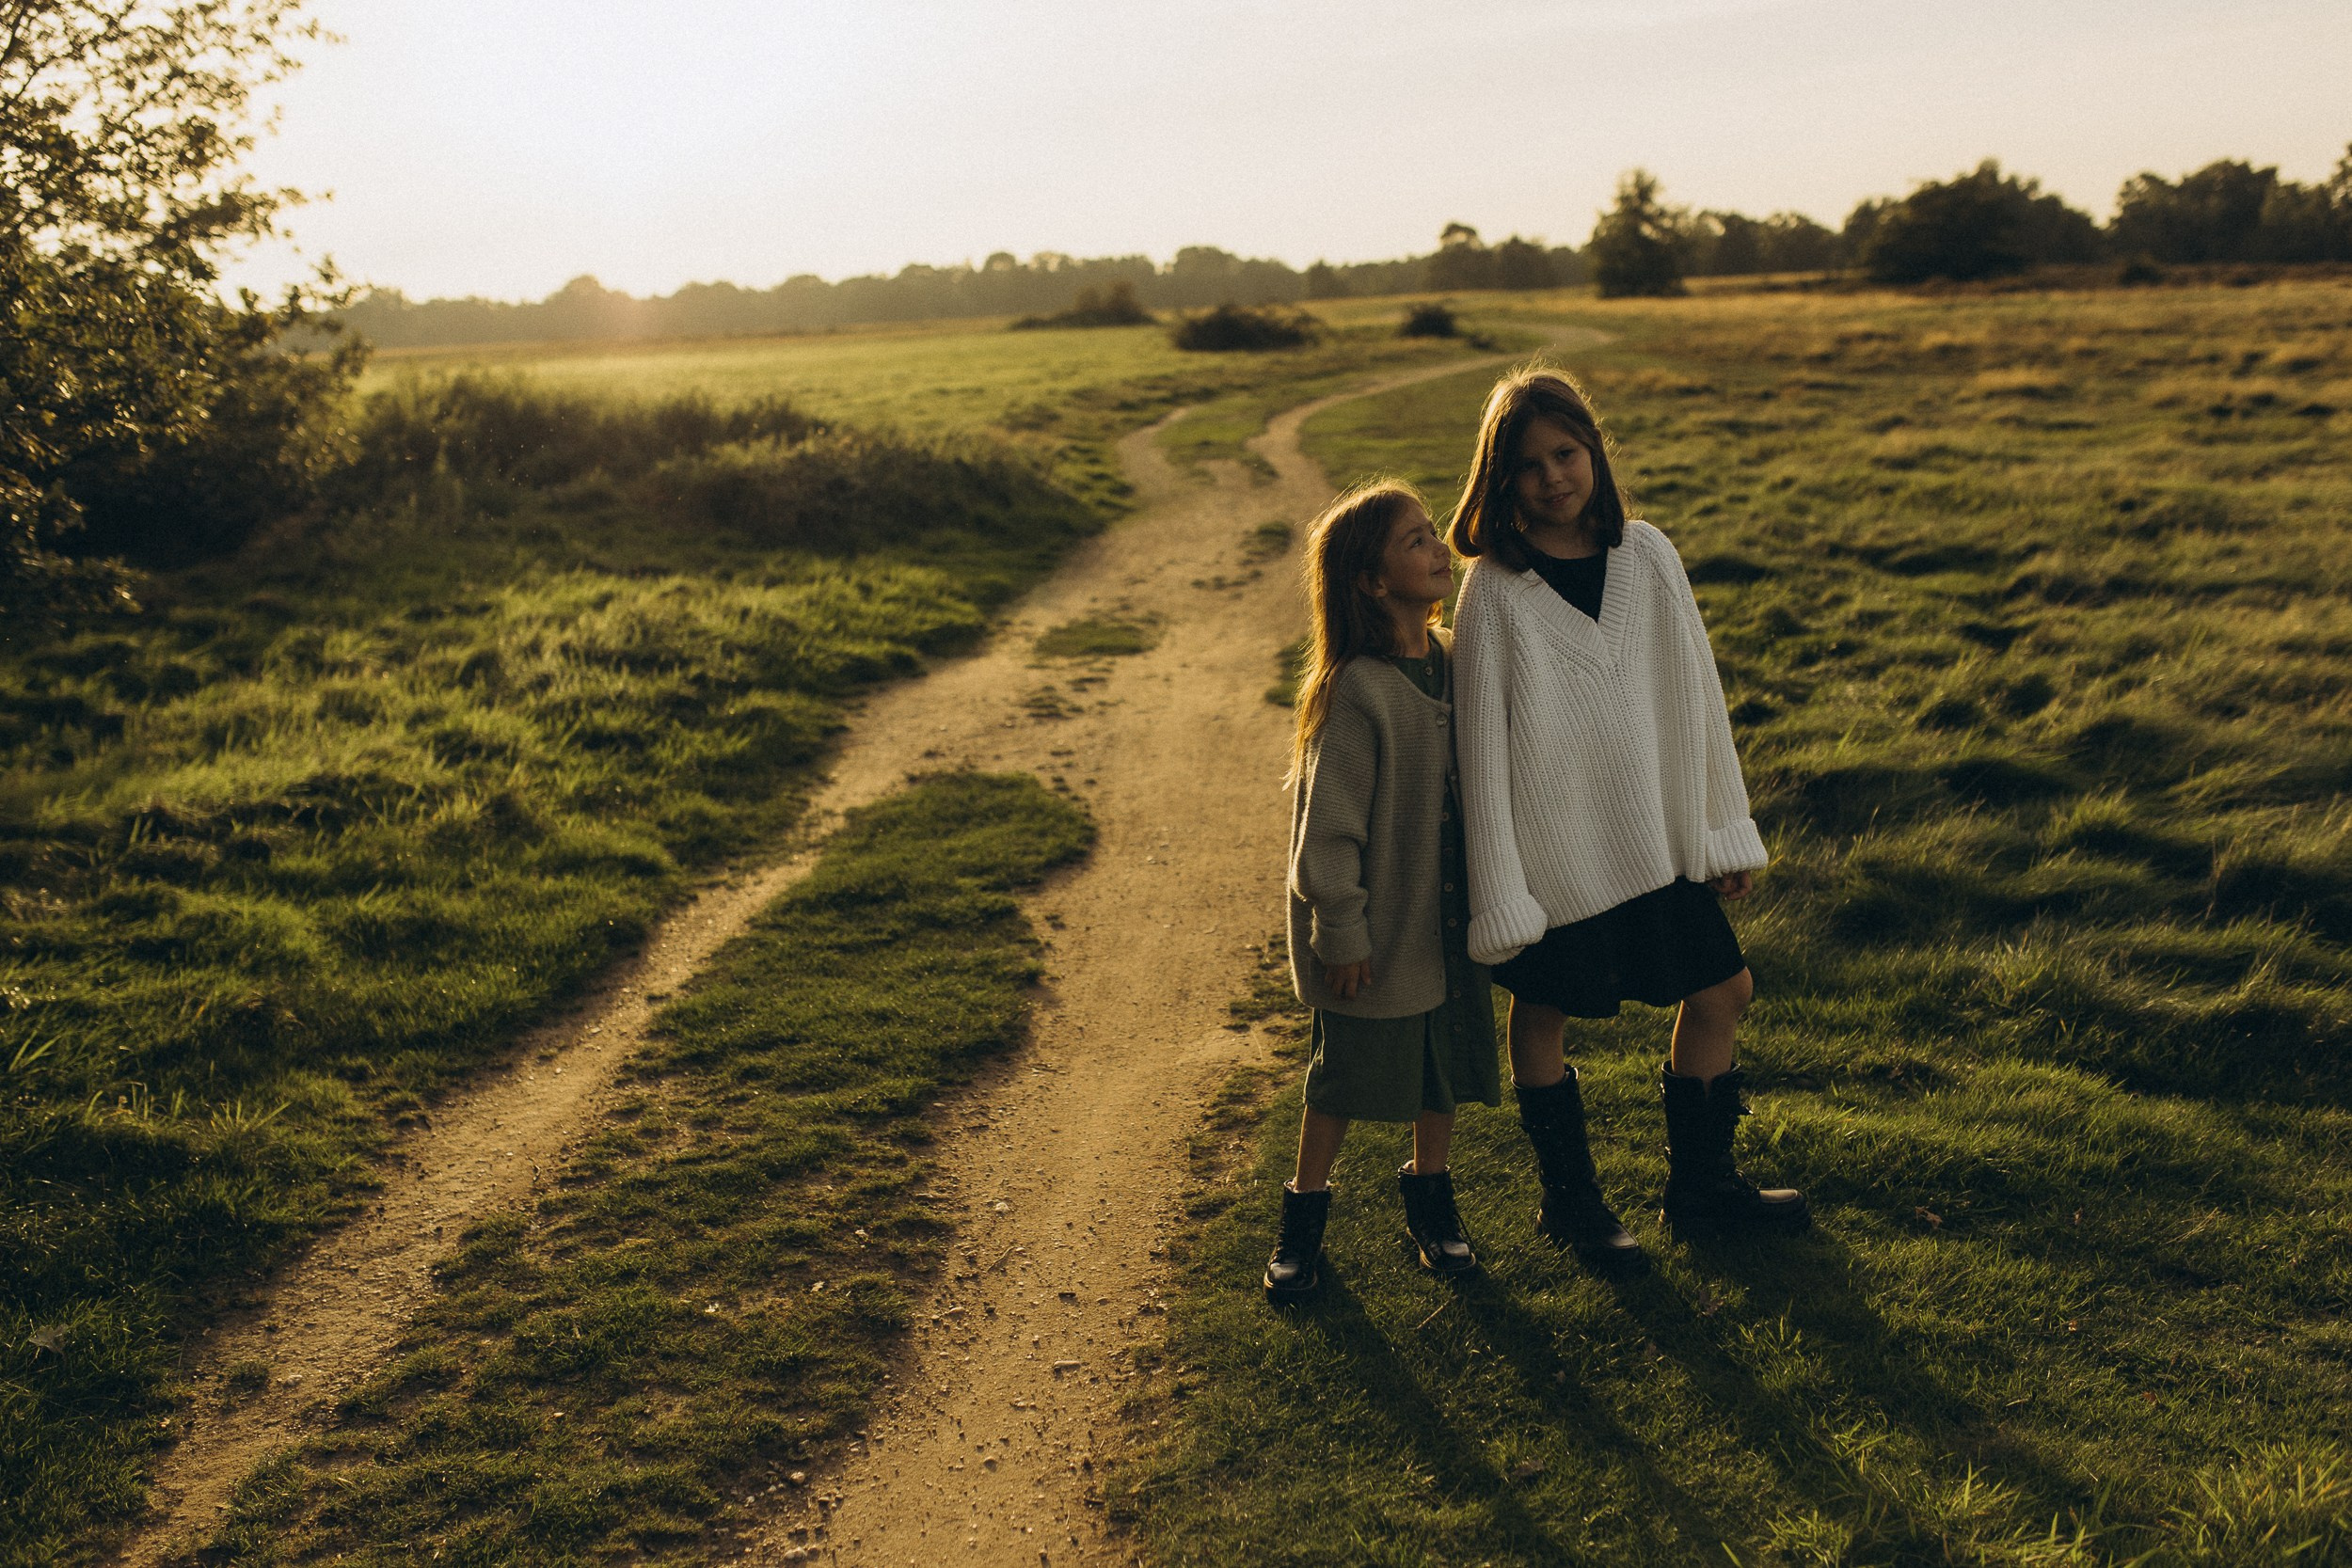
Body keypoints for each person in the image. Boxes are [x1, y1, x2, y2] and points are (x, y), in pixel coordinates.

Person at [1449, 365, 1806, 1273]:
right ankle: (1572, 1203)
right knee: (1543, 1011)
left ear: (1595, 453)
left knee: (1723, 990)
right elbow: (1479, 748)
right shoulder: (1494, 589)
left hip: (1656, 838)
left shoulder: (1647, 556)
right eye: (1529, 465)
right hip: (1554, 852)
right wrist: (1502, 886)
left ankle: (1703, 1187)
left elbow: (1696, 699)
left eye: (1567, 453)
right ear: (1501, 479)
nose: (1553, 477)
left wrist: (1718, 830)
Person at [1264, 480, 1502, 1303]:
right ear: (1370, 580)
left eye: (1434, 533)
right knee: (1342, 1072)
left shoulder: (1454, 660)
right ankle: (1303, 1220)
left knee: (1441, 1065)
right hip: (1378, 925)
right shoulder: (1358, 689)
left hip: (1447, 915)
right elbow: (1328, 833)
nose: (1440, 549)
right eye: (1416, 540)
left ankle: (1432, 1204)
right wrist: (1343, 931)